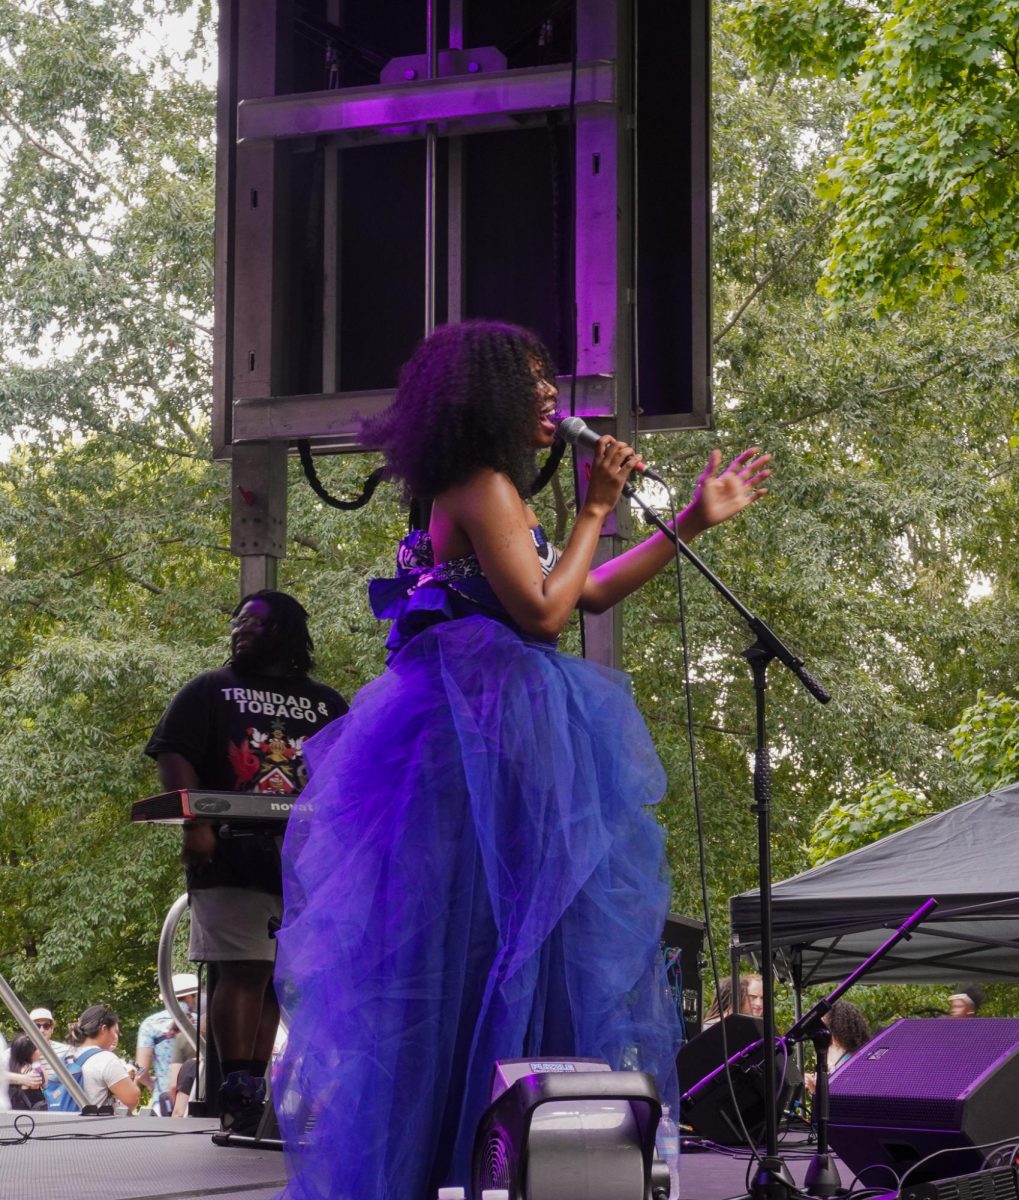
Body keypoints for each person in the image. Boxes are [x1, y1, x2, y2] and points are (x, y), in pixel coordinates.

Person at [271, 320, 772, 1199]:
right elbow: (545, 616)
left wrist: (694, 517)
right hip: (484, 736)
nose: (552, 395)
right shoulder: (481, 485)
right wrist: (593, 508)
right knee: (507, 947)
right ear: (485, 395)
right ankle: (497, 1163)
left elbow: (590, 588)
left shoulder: (492, 492)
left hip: (487, 735)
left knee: (500, 950)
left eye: (552, 380)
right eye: (533, 381)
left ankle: (501, 1158)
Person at [146, 590, 347, 1133]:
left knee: (280, 976)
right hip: (231, 852)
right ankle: (237, 1086)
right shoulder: (209, 690)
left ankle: (254, 1087)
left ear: (283, 630)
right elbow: (173, 750)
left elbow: (350, 772)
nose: (239, 631)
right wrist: (198, 823)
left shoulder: (326, 703)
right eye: (236, 623)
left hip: (304, 863)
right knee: (243, 970)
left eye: (252, 624)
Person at [135, 972, 199, 1115]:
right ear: (189, 997)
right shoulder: (202, 1023)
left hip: (164, 1100)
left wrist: (152, 1085)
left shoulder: (150, 1024)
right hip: (197, 1096)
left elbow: (140, 1070)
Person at [65, 1005, 141, 1112]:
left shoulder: (67, 1055)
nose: (116, 1037)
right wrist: (134, 1080)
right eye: (115, 1032)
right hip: (95, 1127)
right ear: (104, 1029)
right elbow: (131, 1100)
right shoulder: (106, 1059)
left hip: (64, 1124)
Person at [804, 1000, 871, 1095]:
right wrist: (814, 1087)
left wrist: (816, 1088)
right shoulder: (825, 1050)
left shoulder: (853, 1058)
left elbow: (843, 1094)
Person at [7, 1034, 47, 1110]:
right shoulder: (35, 1070)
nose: (40, 1051)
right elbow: (45, 1083)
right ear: (30, 1053)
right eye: (37, 1049)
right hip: (32, 1116)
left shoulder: (9, 1069)